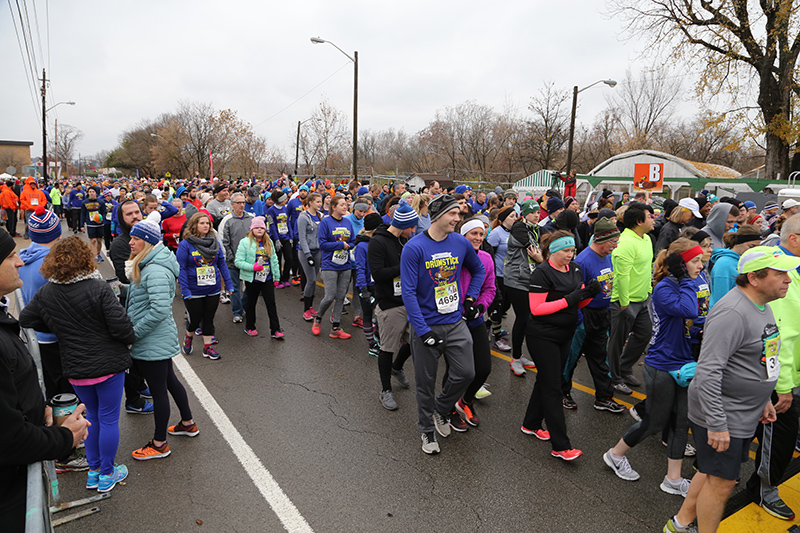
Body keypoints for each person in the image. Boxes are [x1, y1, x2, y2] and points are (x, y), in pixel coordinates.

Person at [664, 246, 798, 533]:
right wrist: (716, 423)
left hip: (743, 410)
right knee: (722, 483)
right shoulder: (733, 312)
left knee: (713, 472)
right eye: (780, 273)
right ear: (754, 278)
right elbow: (709, 371)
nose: (788, 279)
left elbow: (758, 357)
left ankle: (680, 524)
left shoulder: (763, 305)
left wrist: (764, 399)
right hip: (725, 414)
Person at [19, 235, 135, 493]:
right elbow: (123, 329)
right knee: (107, 419)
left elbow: (26, 318)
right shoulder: (99, 288)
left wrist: (58, 325)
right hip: (108, 364)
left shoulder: (47, 291)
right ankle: (106, 472)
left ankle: (93, 471)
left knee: (90, 417)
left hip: (76, 365)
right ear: (85, 259)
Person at [0, 229, 91, 531]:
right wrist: (66, 438)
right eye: (11, 256)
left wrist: (37, 412)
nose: (19, 262)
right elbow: (9, 438)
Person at [603, 239, 704, 497]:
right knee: (655, 422)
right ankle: (615, 454)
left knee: (682, 424)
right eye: (695, 261)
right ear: (681, 264)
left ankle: (673, 478)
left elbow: (698, 314)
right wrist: (687, 281)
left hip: (683, 363)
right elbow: (690, 309)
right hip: (661, 365)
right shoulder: (665, 287)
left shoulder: (683, 283)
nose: (701, 266)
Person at [400, 194, 485, 455]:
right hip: (426, 324)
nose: (458, 219)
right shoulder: (414, 247)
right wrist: (423, 331)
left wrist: (470, 296)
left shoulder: (460, 242)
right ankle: (426, 430)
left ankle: (442, 408)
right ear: (437, 216)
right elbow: (408, 292)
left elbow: (479, 269)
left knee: (467, 373)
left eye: (459, 214)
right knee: (425, 383)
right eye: (453, 214)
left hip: (455, 321)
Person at [124, 212, 200, 461]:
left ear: (146, 241)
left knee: (159, 391)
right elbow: (147, 296)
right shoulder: (150, 264)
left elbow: (158, 309)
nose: (130, 243)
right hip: (157, 337)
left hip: (151, 339)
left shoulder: (154, 269)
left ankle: (159, 444)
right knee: (169, 382)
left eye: (135, 239)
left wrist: (134, 333)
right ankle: (188, 424)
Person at [521, 230, 601, 461]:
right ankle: (561, 445)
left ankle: (531, 423)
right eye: (566, 250)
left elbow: (580, 300)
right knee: (554, 386)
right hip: (542, 335)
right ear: (554, 251)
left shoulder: (575, 269)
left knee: (547, 379)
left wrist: (590, 294)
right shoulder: (542, 273)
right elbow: (537, 309)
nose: (571, 254)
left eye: (573, 250)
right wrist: (574, 298)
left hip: (565, 333)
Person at [743, 216, 800, 520]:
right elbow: (779, 336)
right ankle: (764, 490)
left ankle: (708, 464)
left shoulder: (791, 269)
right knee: (777, 439)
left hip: (786, 375)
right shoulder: (777, 273)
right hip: (778, 379)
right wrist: (782, 386)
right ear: (793, 238)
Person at [564, 218, 625, 413]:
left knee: (600, 357)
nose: (615, 246)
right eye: (612, 242)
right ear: (600, 239)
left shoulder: (608, 256)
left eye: (617, 242)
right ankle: (562, 392)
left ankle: (604, 397)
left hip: (601, 314)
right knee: (571, 357)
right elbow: (575, 293)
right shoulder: (582, 260)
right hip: (584, 315)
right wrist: (580, 320)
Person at [368, 200, 418, 411]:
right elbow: (377, 274)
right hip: (389, 303)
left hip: (409, 301)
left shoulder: (404, 241)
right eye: (412, 227)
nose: (414, 231)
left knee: (416, 342)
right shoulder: (377, 243)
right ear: (402, 224)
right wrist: (403, 267)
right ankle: (385, 389)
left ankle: (397, 368)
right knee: (387, 348)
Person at [452, 217, 495, 428]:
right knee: (457, 370)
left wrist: (480, 307)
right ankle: (448, 409)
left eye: (481, 233)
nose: (478, 238)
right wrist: (460, 309)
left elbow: (490, 289)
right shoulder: (453, 256)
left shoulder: (486, 258)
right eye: (473, 234)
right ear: (463, 235)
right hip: (453, 320)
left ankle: (465, 401)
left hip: (475, 318)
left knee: (483, 368)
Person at [607, 203, 655, 394]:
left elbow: (646, 269)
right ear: (638, 221)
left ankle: (624, 368)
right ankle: (614, 377)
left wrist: (649, 292)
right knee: (617, 341)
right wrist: (624, 303)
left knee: (644, 334)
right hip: (625, 302)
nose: (653, 218)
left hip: (643, 299)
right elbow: (621, 275)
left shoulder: (647, 239)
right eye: (649, 216)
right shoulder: (626, 242)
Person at [177, 212, 234, 360]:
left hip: (212, 288)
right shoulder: (185, 244)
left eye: (207, 223)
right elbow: (181, 268)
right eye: (202, 223)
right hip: (193, 290)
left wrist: (228, 285)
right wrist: (185, 290)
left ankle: (208, 348)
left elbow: (222, 263)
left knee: (209, 319)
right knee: (195, 320)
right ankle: (188, 337)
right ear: (194, 225)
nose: (206, 226)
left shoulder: (213, 242)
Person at [503, 200, 542, 376]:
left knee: (529, 319)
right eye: (532, 212)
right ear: (524, 214)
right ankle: (515, 359)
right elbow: (534, 251)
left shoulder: (537, 229)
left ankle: (520, 355)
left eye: (538, 212)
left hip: (530, 279)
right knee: (522, 318)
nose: (536, 215)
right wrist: (542, 259)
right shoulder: (519, 228)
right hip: (516, 280)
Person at [312, 196, 356, 339]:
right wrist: (340, 245)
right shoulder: (325, 222)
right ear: (333, 207)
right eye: (342, 205)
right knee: (330, 295)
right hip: (329, 264)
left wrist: (349, 245)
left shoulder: (348, 222)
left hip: (345, 264)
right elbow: (323, 244)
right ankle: (318, 319)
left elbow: (353, 240)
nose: (345, 207)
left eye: (346, 205)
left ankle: (336, 327)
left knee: (341, 296)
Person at [234, 216, 283, 338]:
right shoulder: (245, 242)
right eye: (256, 227)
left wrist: (277, 277)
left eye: (262, 227)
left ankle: (275, 329)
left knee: (271, 303)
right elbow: (238, 261)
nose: (259, 229)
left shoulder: (269, 241)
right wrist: (253, 267)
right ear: (252, 229)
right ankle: (250, 326)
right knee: (251, 303)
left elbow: (274, 260)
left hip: (267, 278)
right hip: (252, 278)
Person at [220, 192, 254, 324]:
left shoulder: (250, 218)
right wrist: (231, 257)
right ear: (232, 204)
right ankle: (237, 312)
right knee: (234, 287)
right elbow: (225, 242)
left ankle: (243, 306)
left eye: (243, 202)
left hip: (249, 261)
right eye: (238, 203)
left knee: (250, 287)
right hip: (233, 261)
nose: (241, 205)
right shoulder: (227, 221)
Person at [486, 206, 517, 352]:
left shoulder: (515, 232)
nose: (515, 218)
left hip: (510, 274)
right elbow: (488, 254)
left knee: (506, 306)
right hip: (497, 274)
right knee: (498, 305)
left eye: (516, 215)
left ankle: (488, 325)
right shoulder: (496, 233)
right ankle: (497, 338)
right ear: (503, 219)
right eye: (511, 216)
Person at [708, 224, 761, 306]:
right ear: (739, 243)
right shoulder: (724, 264)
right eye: (751, 246)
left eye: (757, 248)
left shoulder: (748, 261)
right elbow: (720, 301)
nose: (754, 251)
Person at [355, 213, 382, 356]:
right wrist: (363, 288)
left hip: (378, 284)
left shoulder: (378, 242)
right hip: (366, 286)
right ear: (374, 228)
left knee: (380, 314)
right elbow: (360, 267)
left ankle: (378, 338)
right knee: (367, 314)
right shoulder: (361, 246)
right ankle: (371, 343)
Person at [297, 193, 322, 320]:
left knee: (314, 281)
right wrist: (308, 255)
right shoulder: (303, 217)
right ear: (310, 202)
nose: (320, 204)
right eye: (317, 202)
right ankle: (306, 309)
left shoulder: (319, 216)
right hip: (305, 252)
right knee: (311, 280)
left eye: (320, 202)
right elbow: (302, 238)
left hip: (317, 251)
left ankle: (311, 306)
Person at [267, 190, 293, 288]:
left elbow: (288, 223)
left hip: (285, 237)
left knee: (289, 258)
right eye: (285, 199)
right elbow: (271, 225)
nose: (286, 200)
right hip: (276, 238)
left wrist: (290, 236)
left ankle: (285, 278)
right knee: (277, 260)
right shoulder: (271, 210)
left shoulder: (285, 208)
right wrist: (276, 239)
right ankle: (277, 279)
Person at [81, 187, 107, 262]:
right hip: (90, 224)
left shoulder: (101, 202)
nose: (91, 193)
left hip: (99, 224)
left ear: (96, 193)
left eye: (93, 192)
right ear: (88, 193)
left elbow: (104, 212)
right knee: (92, 241)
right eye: (90, 192)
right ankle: (95, 255)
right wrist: (82, 225)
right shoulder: (84, 203)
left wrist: (102, 219)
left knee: (99, 240)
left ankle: (98, 253)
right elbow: (82, 214)